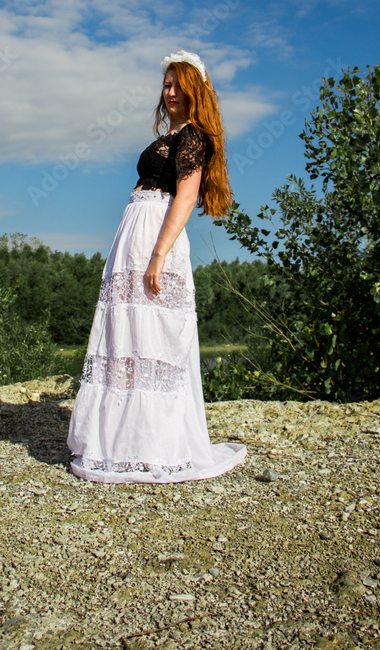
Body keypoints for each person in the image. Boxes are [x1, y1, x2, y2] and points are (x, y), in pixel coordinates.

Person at [67, 50, 248, 483]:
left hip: (155, 240)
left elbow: (185, 198)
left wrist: (158, 256)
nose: (169, 92)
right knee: (125, 334)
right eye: (165, 85)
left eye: (176, 85)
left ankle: (152, 443)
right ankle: (117, 440)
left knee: (152, 337)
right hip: (136, 235)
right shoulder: (173, 135)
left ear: (194, 90)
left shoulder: (193, 138)